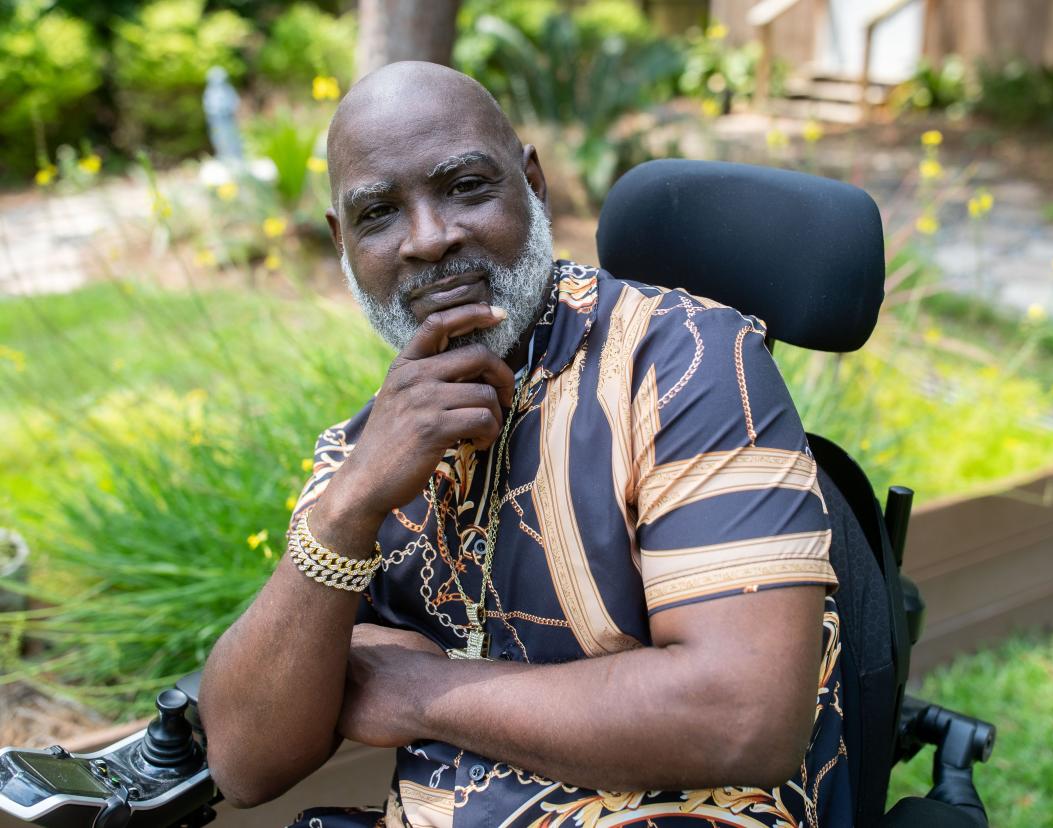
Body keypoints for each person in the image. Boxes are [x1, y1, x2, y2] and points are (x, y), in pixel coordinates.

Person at [199, 61, 851, 827]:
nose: (430, 239)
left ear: (532, 184)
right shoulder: (372, 449)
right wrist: (347, 509)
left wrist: (424, 692)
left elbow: (744, 717)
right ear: (343, 244)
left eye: (466, 187)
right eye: (379, 214)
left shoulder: (683, 363)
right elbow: (244, 761)